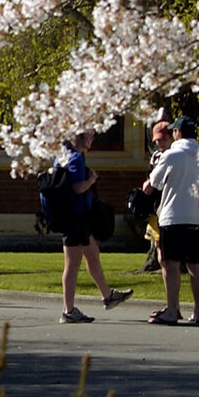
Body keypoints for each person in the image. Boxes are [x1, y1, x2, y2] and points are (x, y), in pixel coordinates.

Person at [52, 130, 135, 323]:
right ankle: (68, 310)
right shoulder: (75, 158)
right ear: (79, 136)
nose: (93, 138)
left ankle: (108, 296)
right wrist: (90, 180)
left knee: (92, 253)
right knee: (72, 264)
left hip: (78, 218)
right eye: (90, 135)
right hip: (75, 218)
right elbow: (77, 187)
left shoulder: (65, 154)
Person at [143, 117, 199, 324]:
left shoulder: (171, 155)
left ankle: (172, 309)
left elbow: (154, 183)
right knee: (194, 265)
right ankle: (198, 312)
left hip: (173, 215)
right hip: (195, 216)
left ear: (178, 133)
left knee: (171, 264)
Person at [140, 117, 173, 273]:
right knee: (159, 245)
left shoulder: (175, 156)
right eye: (158, 141)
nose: (161, 144)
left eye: (164, 140)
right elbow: (150, 180)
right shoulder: (155, 157)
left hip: (171, 205)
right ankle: (164, 270)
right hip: (157, 207)